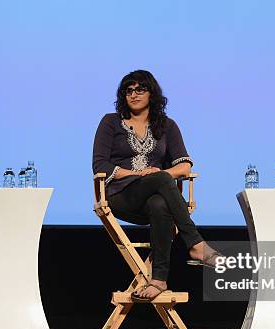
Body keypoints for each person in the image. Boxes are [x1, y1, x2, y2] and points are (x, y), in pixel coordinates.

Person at [92, 70, 218, 301]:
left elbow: (185, 166)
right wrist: (140, 173)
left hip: (153, 198)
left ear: (152, 94)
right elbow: (100, 164)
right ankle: (196, 244)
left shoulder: (167, 126)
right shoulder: (110, 122)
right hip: (121, 195)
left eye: (140, 89)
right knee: (160, 178)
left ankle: (158, 279)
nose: (134, 94)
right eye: (129, 90)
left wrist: (160, 173)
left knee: (160, 202)